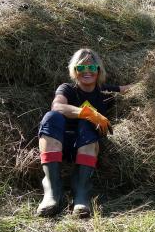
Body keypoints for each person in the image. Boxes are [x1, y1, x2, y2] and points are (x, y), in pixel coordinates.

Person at [36, 48, 132, 218]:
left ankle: (81, 191)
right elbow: (57, 106)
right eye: (81, 68)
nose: (86, 72)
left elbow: (131, 89)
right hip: (59, 143)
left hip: (86, 145)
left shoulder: (104, 92)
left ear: (98, 70)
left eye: (92, 68)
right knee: (51, 117)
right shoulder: (67, 89)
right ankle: (52, 189)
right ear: (74, 71)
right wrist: (88, 113)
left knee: (87, 125)